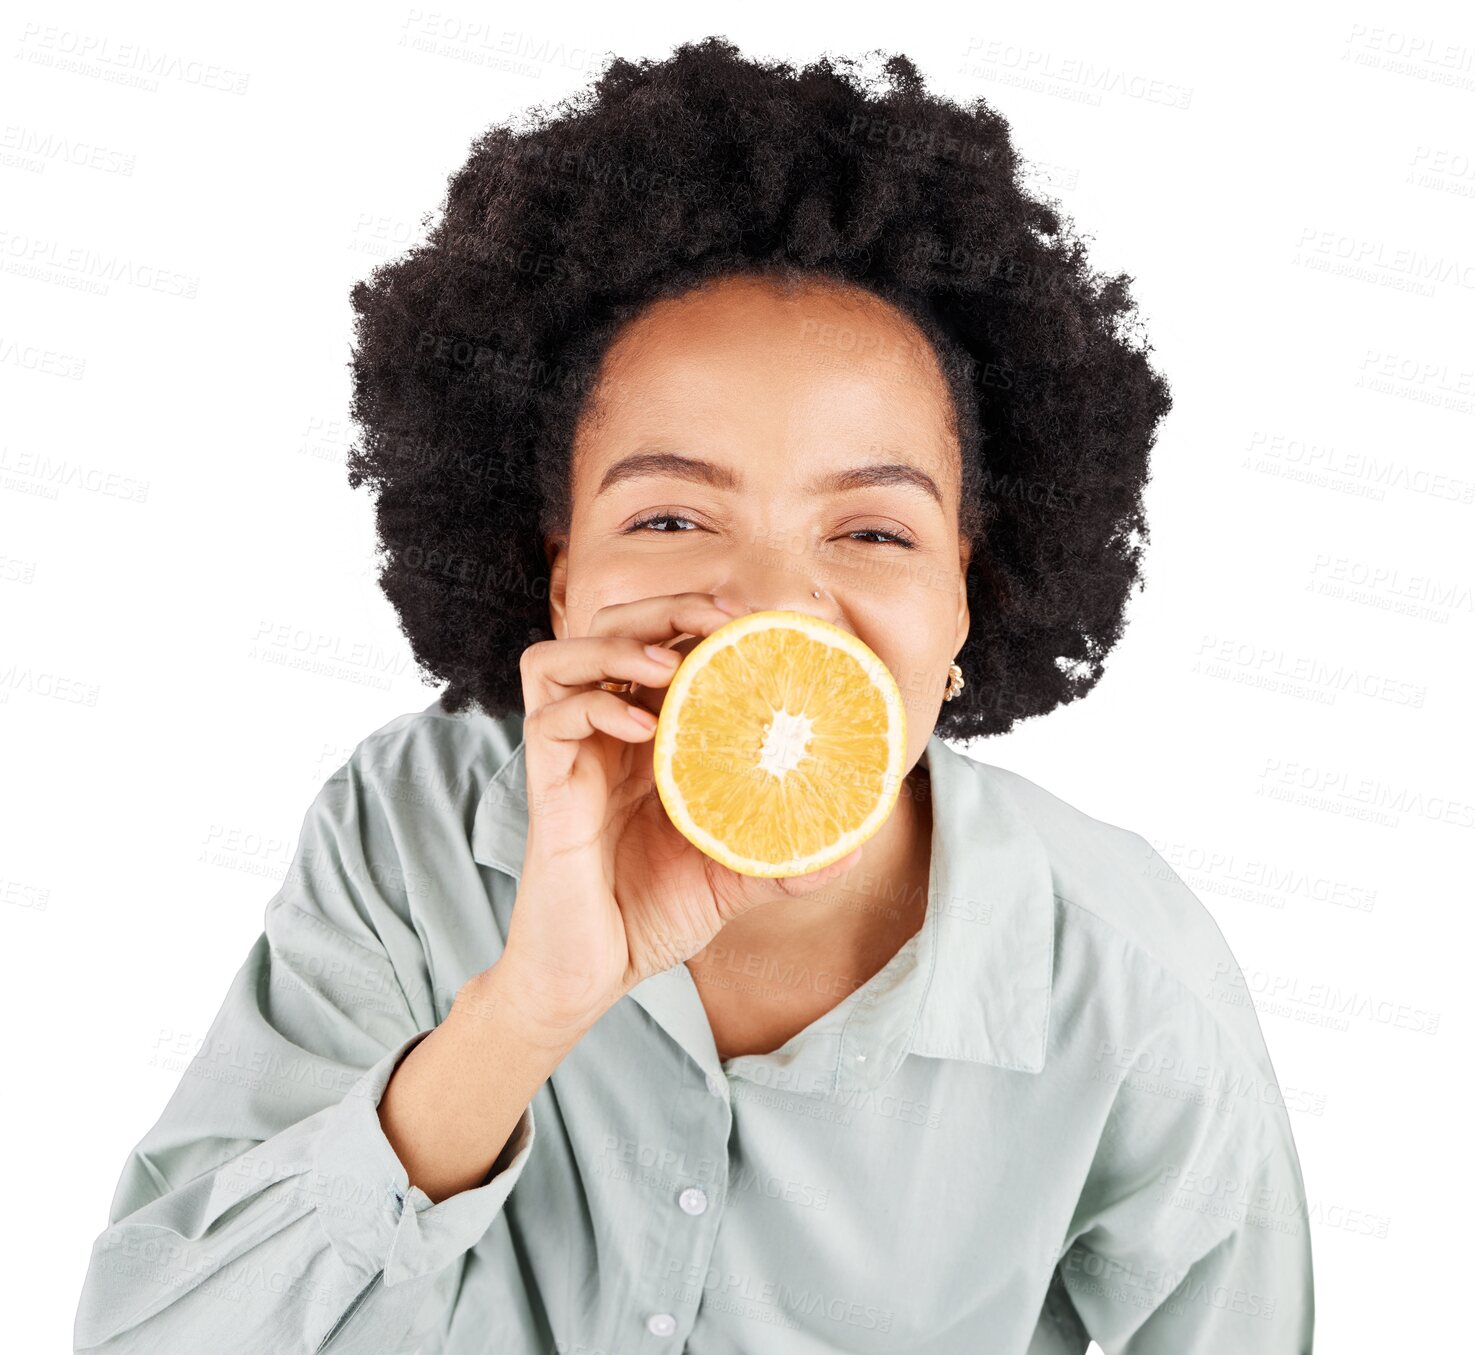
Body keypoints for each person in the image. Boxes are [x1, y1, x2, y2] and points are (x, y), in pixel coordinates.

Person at [74, 37, 1314, 1354]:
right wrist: (526, 1008)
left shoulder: (1129, 979)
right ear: (555, 576)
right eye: (670, 517)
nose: (772, 607)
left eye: (874, 533)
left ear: (968, 592)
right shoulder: (408, 833)